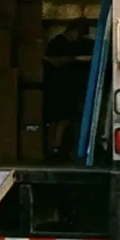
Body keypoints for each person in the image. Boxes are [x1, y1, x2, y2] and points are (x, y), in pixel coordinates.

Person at [44, 20, 93, 160]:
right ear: (72, 31)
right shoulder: (57, 43)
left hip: (73, 87)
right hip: (59, 86)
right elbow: (49, 60)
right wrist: (74, 59)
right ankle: (55, 147)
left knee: (70, 118)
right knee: (61, 118)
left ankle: (62, 148)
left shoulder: (80, 44)